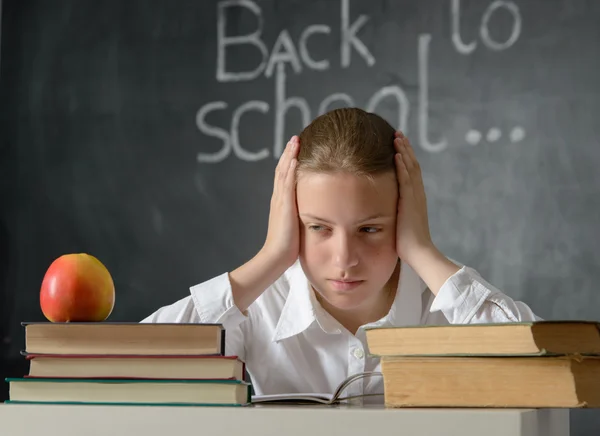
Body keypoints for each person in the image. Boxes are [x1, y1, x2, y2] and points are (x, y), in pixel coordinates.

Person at [142, 108, 540, 403]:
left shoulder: (449, 309)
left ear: (405, 216)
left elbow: (546, 374)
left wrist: (422, 250)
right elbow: (135, 366)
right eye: (319, 228)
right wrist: (271, 257)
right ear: (292, 221)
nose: (344, 259)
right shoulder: (257, 309)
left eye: (369, 229)